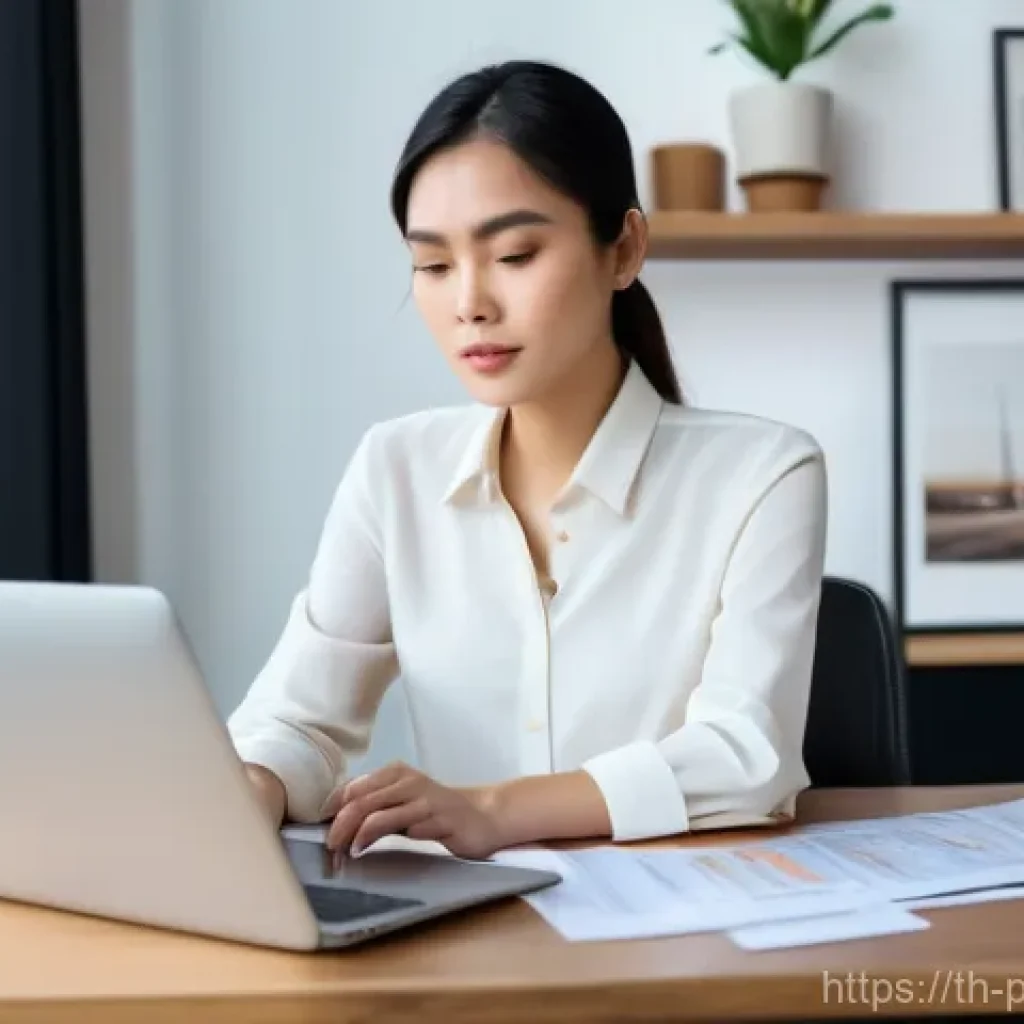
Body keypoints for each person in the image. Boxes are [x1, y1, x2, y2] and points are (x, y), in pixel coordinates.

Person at [227, 59, 828, 861]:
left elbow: (746, 758)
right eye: (433, 265)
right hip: (465, 924)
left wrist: (494, 809)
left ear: (624, 249)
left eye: (513, 255)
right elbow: (298, 719)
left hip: (686, 920)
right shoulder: (394, 468)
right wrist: (253, 785)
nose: (469, 302)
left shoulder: (763, 474)